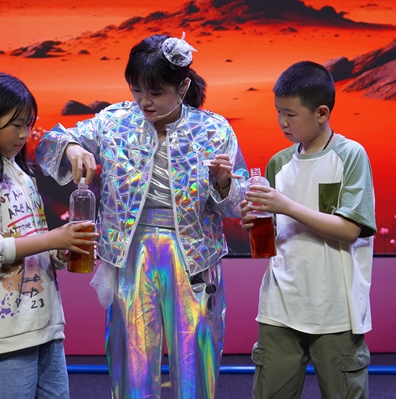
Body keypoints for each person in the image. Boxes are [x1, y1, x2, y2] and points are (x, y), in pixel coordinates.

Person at [36, 34, 248, 399]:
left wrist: (226, 183)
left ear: (183, 86)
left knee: (196, 360)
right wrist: (70, 146)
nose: (144, 101)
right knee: (131, 361)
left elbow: (238, 205)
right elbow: (47, 144)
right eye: (136, 90)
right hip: (130, 254)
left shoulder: (214, 130)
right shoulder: (113, 122)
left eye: (155, 92)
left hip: (194, 256)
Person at [0, 72, 96, 399]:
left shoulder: (21, 174)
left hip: (44, 323)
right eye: (15, 124)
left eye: (28, 124)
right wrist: (52, 240)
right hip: (5, 331)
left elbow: (31, 239)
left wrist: (62, 250)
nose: (24, 134)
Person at [241, 61, 376, 399]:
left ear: (321, 112)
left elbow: (350, 229)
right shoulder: (278, 163)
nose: (282, 122)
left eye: (290, 113)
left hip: (335, 309)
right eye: (278, 112)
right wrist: (253, 224)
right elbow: (270, 240)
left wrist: (286, 205)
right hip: (280, 306)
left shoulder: (350, 155)